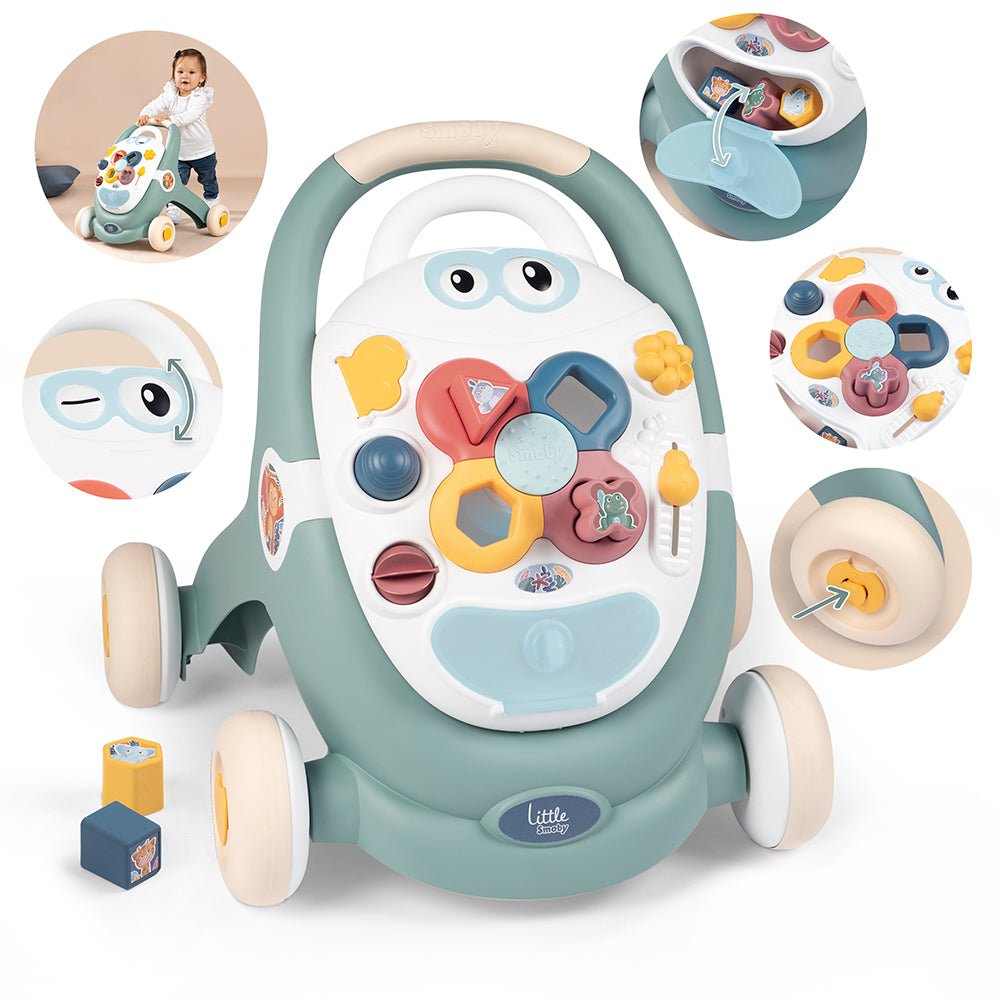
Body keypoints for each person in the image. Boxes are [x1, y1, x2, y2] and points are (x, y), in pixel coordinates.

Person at [136, 48, 218, 223]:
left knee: (208, 180)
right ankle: (173, 208)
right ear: (174, 75)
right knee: (172, 181)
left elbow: (190, 116)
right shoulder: (170, 95)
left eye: (191, 72)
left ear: (201, 77)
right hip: (179, 153)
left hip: (202, 151)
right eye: (180, 72)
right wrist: (145, 114)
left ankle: (212, 200)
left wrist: (170, 119)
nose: (185, 76)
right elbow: (155, 105)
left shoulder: (199, 97)